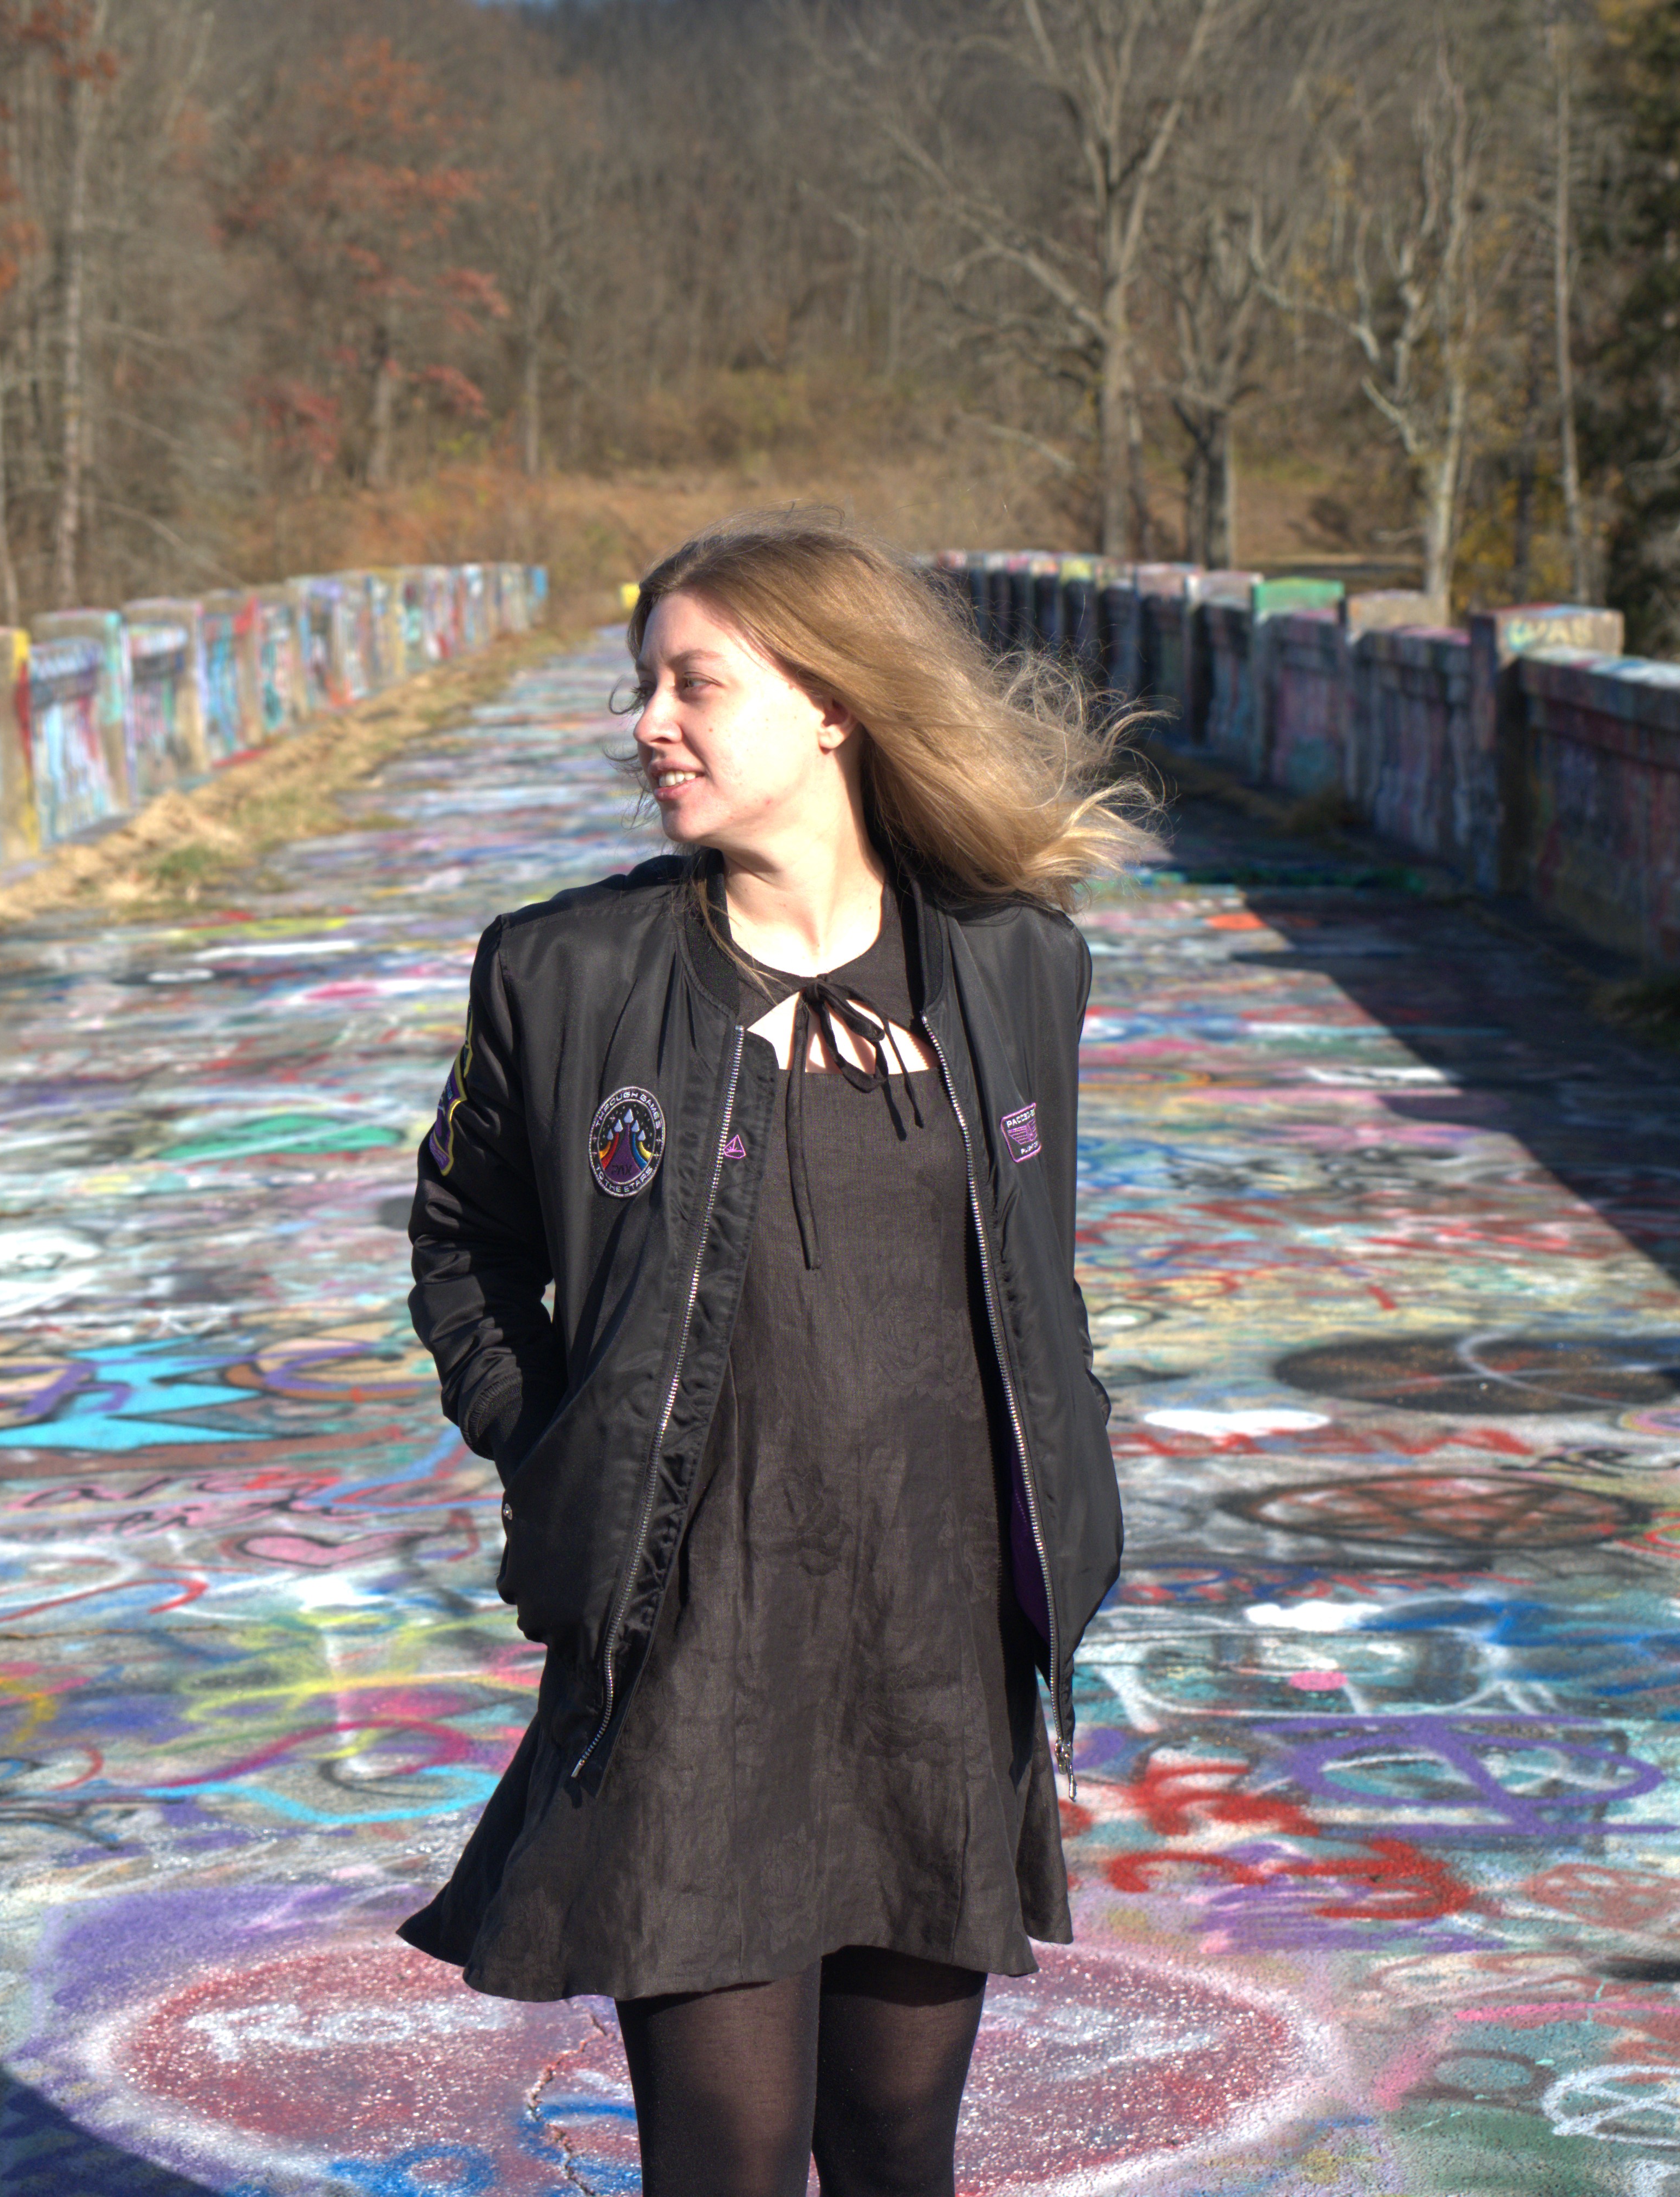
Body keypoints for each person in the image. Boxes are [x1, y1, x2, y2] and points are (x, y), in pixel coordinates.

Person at [399, 514, 1152, 2195]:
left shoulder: (1019, 966)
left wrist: (1072, 1485)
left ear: (833, 705)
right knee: (726, 2162)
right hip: (695, 1660)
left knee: (893, 2148)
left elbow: (1039, 1282)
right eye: (644, 684)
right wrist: (558, 1449)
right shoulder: (564, 972)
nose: (648, 722)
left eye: (695, 684)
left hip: (933, 1649)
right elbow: (464, 1245)